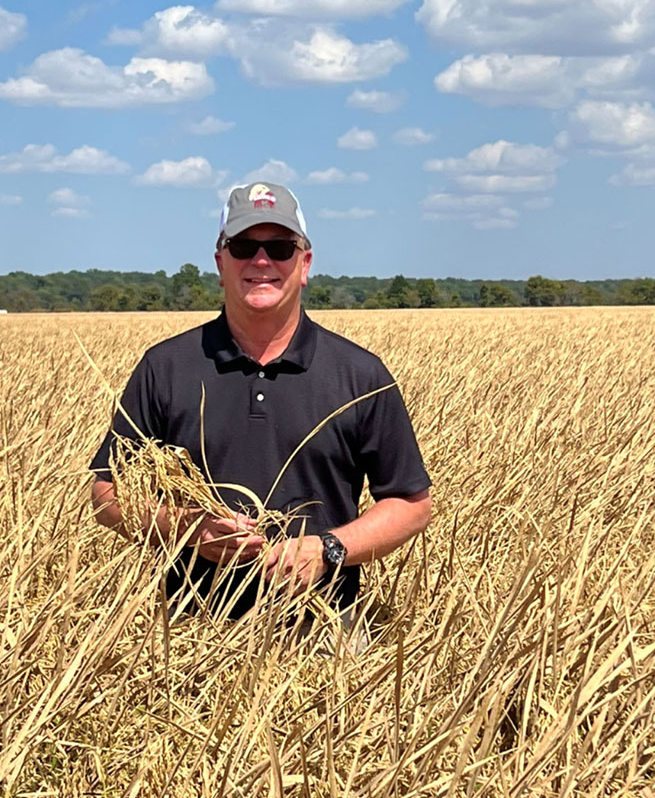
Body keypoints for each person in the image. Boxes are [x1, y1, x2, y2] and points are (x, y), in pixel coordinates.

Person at [90, 181, 432, 619]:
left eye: (281, 248)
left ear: (305, 264)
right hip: (187, 635)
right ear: (220, 262)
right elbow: (106, 493)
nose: (262, 261)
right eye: (243, 246)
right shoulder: (166, 367)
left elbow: (410, 505)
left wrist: (329, 548)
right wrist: (189, 529)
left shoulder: (361, 375)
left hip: (323, 637)